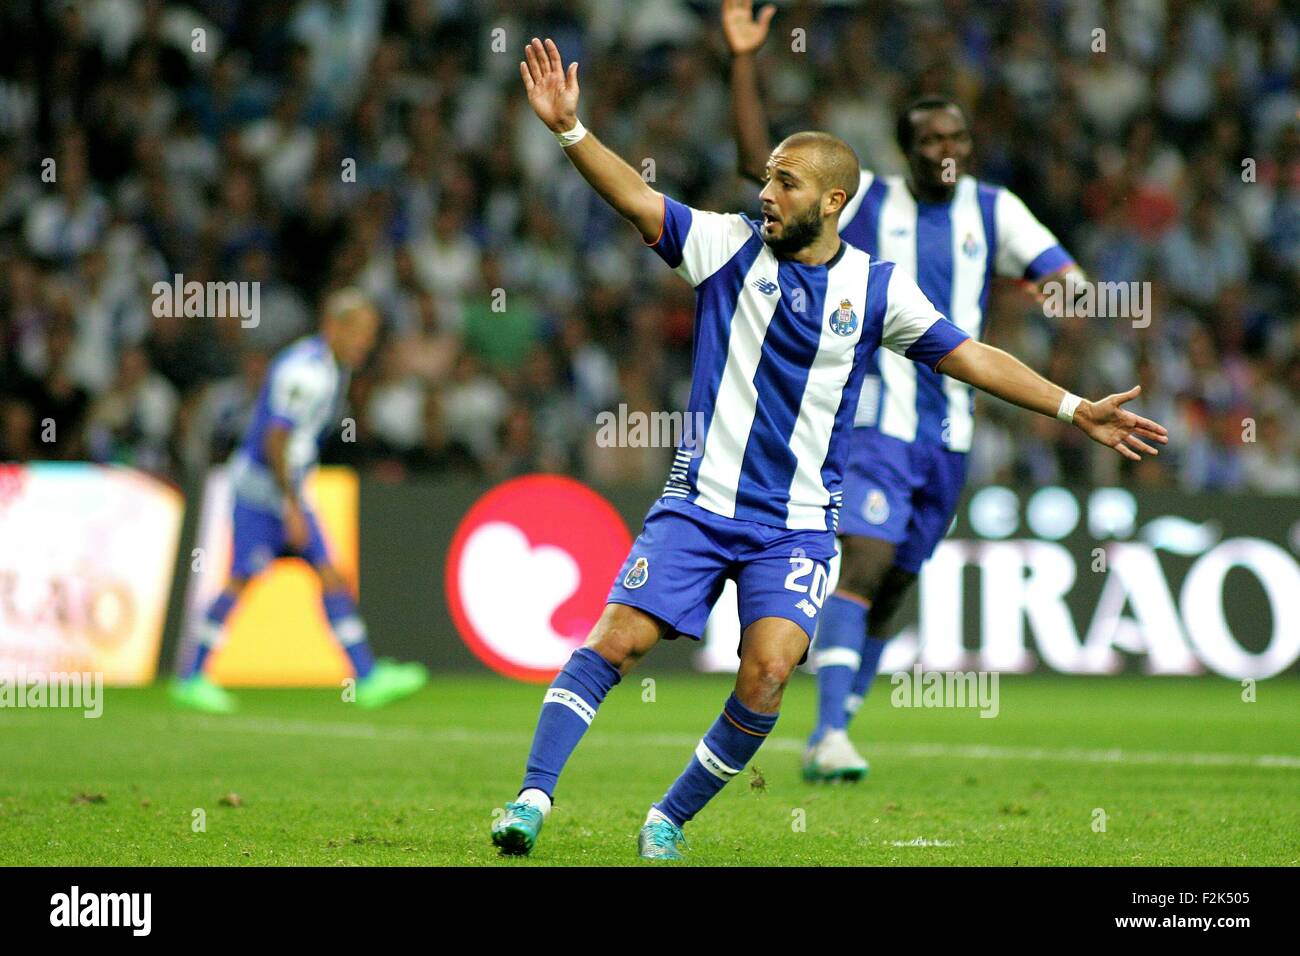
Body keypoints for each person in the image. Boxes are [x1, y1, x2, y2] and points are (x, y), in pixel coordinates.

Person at [492, 38, 1165, 861]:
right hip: (700, 504)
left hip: (799, 524)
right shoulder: (724, 246)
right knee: (618, 640)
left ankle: (667, 818)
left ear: (833, 200)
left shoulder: (877, 289)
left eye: (786, 181)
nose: (766, 193)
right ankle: (530, 797)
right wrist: (570, 131)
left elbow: (972, 355)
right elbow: (636, 197)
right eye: (768, 177)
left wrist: (1073, 407)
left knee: (770, 672)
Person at [722, 0, 1092, 780]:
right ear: (906, 150)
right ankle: (827, 735)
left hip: (951, 432)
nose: (946, 150)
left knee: (895, 583)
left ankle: (834, 735)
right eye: (931, 140)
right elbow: (761, 164)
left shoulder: (995, 210)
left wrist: (1066, 293)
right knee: (867, 559)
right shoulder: (872, 202)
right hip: (872, 423)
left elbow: (1064, 278)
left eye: (957, 137)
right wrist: (744, 61)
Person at [170, 289, 428, 713]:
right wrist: (290, 505)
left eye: (371, 334)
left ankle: (366, 676)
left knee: (329, 572)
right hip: (263, 490)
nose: (366, 343)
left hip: (289, 487)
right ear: (334, 327)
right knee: (242, 577)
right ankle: (192, 676)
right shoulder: (304, 373)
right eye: (360, 333)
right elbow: (275, 438)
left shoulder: (329, 365)